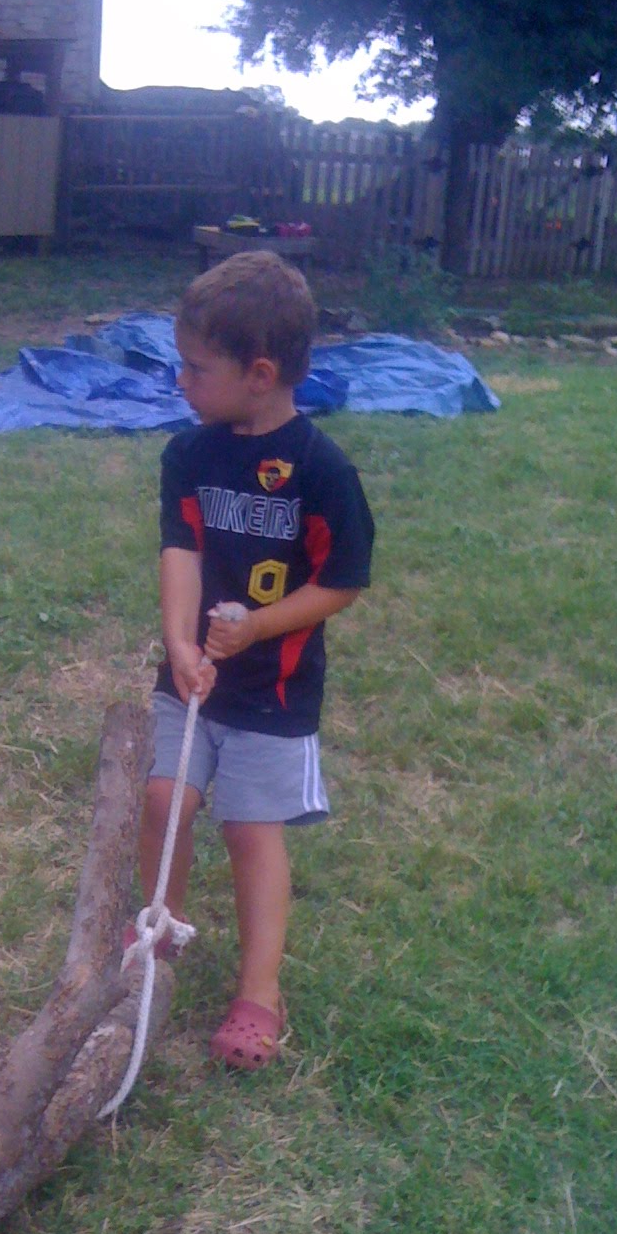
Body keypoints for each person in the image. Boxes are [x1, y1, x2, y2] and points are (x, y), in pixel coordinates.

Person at [140, 251, 374, 1070]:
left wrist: (260, 626)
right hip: (192, 681)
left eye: (197, 369)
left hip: (274, 694)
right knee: (165, 796)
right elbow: (181, 550)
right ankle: (156, 937)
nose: (181, 382)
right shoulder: (190, 455)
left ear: (261, 375)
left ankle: (258, 994)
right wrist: (180, 643)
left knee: (249, 829)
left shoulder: (323, 471)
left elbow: (342, 583)